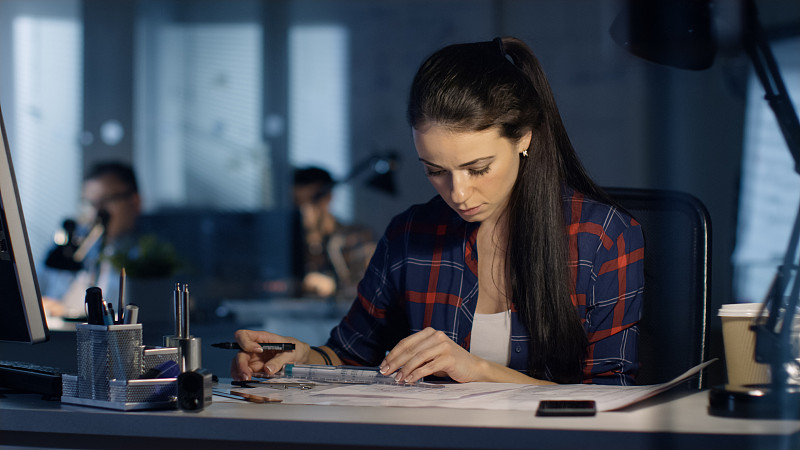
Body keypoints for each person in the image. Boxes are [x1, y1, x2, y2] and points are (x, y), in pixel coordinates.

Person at [232, 37, 644, 386]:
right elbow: (349, 355)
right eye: (435, 171)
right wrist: (302, 357)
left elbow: (612, 395)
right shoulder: (410, 235)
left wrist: (478, 370)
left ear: (524, 138)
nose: (459, 193)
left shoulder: (601, 237)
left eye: (478, 169)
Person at [39, 162, 142, 318]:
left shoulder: (148, 254)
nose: (97, 212)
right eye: (91, 203)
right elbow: (35, 288)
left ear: (134, 201)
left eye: (107, 200)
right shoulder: (73, 244)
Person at [291, 166, 376, 299]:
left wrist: (333, 288)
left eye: (311, 201)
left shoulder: (356, 238)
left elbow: (373, 292)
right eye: (297, 202)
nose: (304, 211)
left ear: (328, 197)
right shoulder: (288, 243)